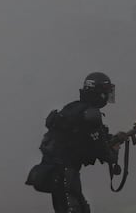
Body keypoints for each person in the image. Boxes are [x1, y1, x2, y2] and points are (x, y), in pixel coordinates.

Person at [26, 72, 123, 213]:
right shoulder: (91, 115)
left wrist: (109, 138)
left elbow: (83, 138)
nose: (107, 96)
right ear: (99, 92)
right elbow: (104, 153)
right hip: (66, 174)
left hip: (56, 173)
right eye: (105, 92)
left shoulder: (73, 108)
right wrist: (115, 147)